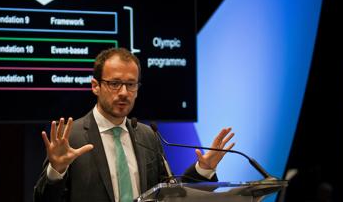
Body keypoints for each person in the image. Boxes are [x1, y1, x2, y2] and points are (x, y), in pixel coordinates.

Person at [34, 47, 235, 202]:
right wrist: (56, 171)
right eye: (114, 83)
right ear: (95, 86)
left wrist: (202, 169)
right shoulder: (72, 137)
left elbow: (169, 193)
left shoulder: (146, 135)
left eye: (130, 84)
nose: (123, 92)